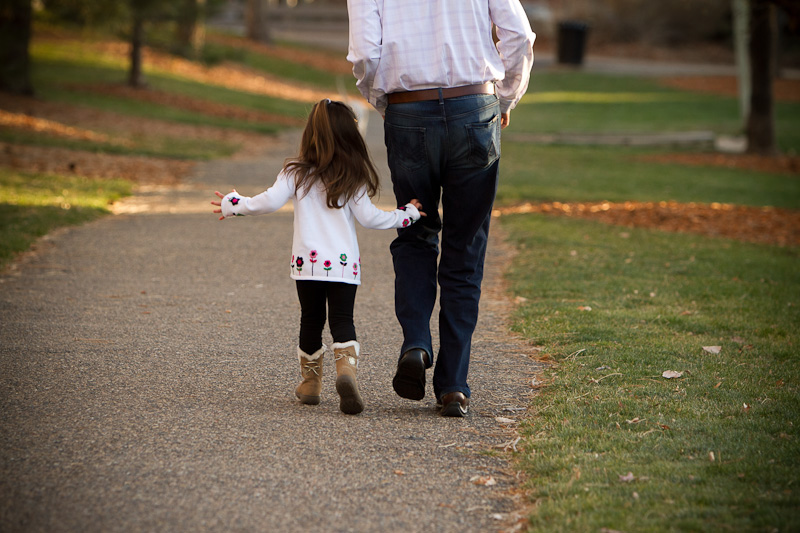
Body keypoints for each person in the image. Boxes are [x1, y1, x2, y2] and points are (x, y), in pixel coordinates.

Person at [347, 0, 535, 416]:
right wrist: (505, 98)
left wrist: (384, 101)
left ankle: (416, 342)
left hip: (408, 111)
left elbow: (364, 53)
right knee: (464, 248)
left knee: (415, 235)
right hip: (474, 108)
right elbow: (519, 34)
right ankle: (453, 385)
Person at [211, 99, 424, 415]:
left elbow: (267, 202)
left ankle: (310, 385)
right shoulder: (352, 175)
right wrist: (407, 214)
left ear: (310, 134)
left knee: (310, 319)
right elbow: (371, 218)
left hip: (306, 264)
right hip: (342, 266)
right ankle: (346, 373)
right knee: (342, 320)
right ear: (348, 135)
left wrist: (234, 204)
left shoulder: (295, 172)